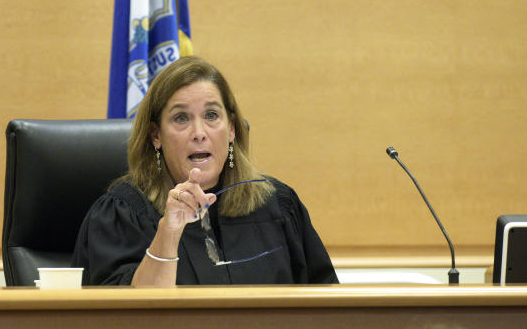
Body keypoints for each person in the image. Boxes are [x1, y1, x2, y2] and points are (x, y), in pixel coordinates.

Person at [72, 56, 338, 286]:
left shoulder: (278, 206)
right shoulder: (122, 215)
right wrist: (169, 232)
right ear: (156, 135)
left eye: (211, 116)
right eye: (181, 118)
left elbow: (327, 307)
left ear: (232, 128)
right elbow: (122, 316)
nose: (199, 133)